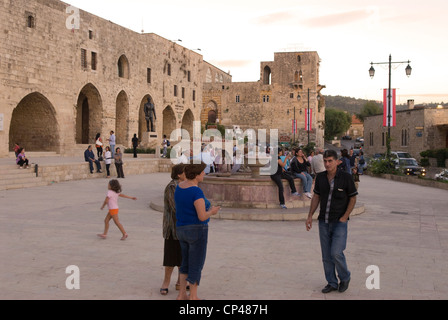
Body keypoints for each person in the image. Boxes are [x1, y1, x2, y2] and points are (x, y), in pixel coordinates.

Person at [306, 149, 358, 294]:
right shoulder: (321, 177)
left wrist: (345, 216)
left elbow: (353, 198)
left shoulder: (346, 177)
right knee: (326, 256)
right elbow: (316, 197)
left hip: (339, 222)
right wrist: (310, 215)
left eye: (330, 161)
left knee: (336, 252)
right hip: (324, 221)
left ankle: (345, 276)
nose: (327, 164)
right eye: (325, 161)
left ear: (337, 161)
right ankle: (332, 282)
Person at [174, 162, 220, 300]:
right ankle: (193, 296)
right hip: (196, 230)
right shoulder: (196, 191)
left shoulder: (179, 187)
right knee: (196, 263)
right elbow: (202, 216)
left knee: (185, 263)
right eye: (202, 172)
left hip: (181, 228)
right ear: (196, 175)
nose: (204, 174)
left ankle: (181, 294)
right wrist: (212, 211)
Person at [160, 164, 186, 296]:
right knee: (170, 259)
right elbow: (175, 207)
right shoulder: (172, 187)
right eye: (184, 172)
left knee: (182, 258)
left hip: (182, 229)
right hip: (172, 228)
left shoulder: (184, 186)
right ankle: (166, 282)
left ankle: (179, 282)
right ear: (179, 174)